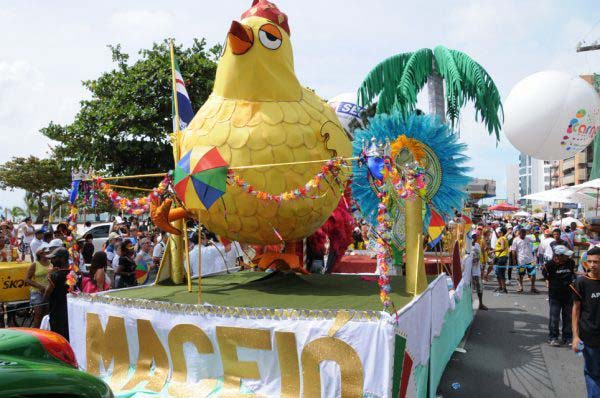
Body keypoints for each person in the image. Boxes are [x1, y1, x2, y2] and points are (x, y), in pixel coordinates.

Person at [571, 246, 600, 396]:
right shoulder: (581, 282)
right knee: (593, 374)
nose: (593, 265)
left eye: (596, 262)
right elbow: (576, 310)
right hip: (590, 337)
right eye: (590, 262)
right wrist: (575, 337)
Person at [542, 245, 576, 347]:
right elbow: (545, 275)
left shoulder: (571, 263)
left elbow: (572, 274)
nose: (567, 257)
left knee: (568, 317)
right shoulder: (549, 265)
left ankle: (567, 337)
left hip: (569, 295)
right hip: (555, 296)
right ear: (558, 256)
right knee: (554, 317)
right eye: (565, 255)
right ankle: (553, 337)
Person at [43, 247, 71, 340]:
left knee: (59, 342)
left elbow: (46, 296)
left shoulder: (55, 276)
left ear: (62, 259)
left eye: (54, 258)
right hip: (71, 313)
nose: (51, 260)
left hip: (57, 315)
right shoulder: (74, 274)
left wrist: (49, 276)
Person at [25, 244, 51, 328]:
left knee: (47, 315)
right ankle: (35, 334)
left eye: (48, 252)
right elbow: (27, 279)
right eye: (45, 252)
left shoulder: (51, 263)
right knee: (38, 316)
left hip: (48, 291)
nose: (47, 253)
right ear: (40, 253)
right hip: (37, 292)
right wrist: (40, 287)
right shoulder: (35, 264)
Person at [511, 228, 539, 294]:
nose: (523, 235)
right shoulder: (515, 240)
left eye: (525, 234)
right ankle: (520, 287)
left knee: (533, 274)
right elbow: (513, 250)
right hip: (521, 261)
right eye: (522, 234)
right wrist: (514, 260)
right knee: (521, 274)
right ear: (519, 233)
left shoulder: (528, 238)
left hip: (531, 260)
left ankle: (533, 287)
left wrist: (536, 235)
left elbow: (537, 241)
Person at [471, 233, 488, 310]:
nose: (474, 237)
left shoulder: (477, 245)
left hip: (477, 270)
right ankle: (469, 305)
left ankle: (480, 304)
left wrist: (482, 263)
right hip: (468, 271)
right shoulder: (465, 246)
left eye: (475, 236)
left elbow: (479, 255)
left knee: (479, 287)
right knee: (469, 289)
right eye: (473, 236)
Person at [492, 227, 509, 293]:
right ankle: (500, 287)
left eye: (499, 232)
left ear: (502, 233)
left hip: (502, 257)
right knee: (497, 273)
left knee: (501, 273)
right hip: (498, 257)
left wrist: (493, 251)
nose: (498, 233)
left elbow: (502, 248)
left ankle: (504, 288)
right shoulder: (502, 238)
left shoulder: (502, 238)